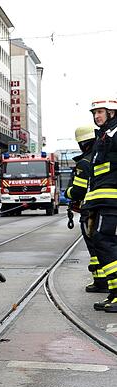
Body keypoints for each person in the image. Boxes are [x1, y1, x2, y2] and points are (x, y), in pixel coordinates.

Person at [82, 98, 117, 312]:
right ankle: (113, 292)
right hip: (101, 199)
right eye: (94, 113)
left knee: (104, 240)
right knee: (101, 240)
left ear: (112, 112)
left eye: (100, 112)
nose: (96, 116)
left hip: (111, 199)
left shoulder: (114, 134)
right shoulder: (104, 136)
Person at [65, 125, 105, 293]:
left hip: (89, 210)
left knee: (95, 248)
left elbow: (78, 191)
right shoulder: (100, 157)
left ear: (82, 143)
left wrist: (67, 192)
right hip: (103, 207)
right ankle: (103, 281)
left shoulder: (84, 162)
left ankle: (100, 281)